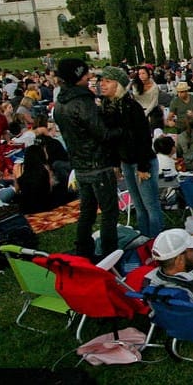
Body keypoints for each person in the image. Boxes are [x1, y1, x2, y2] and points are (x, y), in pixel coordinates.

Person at [53, 57, 122, 260]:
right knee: (109, 213)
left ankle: (83, 251)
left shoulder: (60, 103)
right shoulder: (82, 102)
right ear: (77, 77)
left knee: (87, 213)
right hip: (97, 164)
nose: (90, 77)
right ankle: (111, 255)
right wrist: (121, 128)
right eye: (85, 75)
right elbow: (103, 134)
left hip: (79, 166)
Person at [99, 66, 161, 238]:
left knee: (151, 207)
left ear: (118, 85)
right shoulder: (108, 107)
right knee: (139, 207)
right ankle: (144, 241)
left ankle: (155, 241)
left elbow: (143, 138)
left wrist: (143, 166)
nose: (102, 84)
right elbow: (111, 139)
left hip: (142, 161)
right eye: (101, 81)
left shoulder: (130, 107)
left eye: (107, 81)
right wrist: (114, 162)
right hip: (126, 162)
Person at [14, 144, 69, 214]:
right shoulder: (45, 168)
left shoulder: (19, 168)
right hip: (44, 204)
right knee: (63, 189)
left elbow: (17, 190)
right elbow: (49, 189)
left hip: (26, 206)